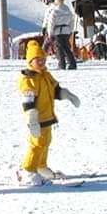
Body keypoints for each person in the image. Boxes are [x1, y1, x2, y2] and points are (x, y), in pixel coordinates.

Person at [17, 40, 81, 186]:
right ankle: (28, 170)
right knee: (37, 144)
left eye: (43, 59)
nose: (40, 62)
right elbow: (27, 99)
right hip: (37, 118)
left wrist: (67, 95)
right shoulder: (28, 78)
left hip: (47, 116)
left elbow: (55, 90)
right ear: (30, 61)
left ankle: (41, 166)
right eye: (37, 60)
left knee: (45, 143)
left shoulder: (45, 75)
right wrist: (31, 117)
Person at [42, 0, 77, 70]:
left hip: (57, 32)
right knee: (67, 48)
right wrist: (70, 31)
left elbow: (51, 23)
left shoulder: (55, 11)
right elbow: (72, 22)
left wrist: (50, 33)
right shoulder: (68, 11)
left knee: (59, 49)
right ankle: (72, 64)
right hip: (66, 31)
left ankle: (61, 65)